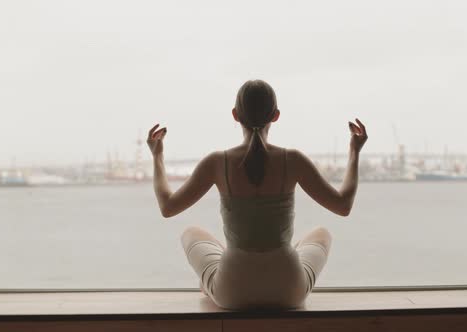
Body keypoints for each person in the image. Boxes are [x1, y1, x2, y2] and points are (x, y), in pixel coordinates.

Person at [146, 79, 368, 310]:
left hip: (232, 292)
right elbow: (343, 206)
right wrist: (354, 152)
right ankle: (221, 276)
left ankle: (212, 281)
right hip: (288, 291)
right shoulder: (293, 160)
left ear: (235, 114)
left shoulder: (216, 162)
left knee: (192, 233)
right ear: (276, 115)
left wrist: (157, 156)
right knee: (320, 234)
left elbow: (167, 207)